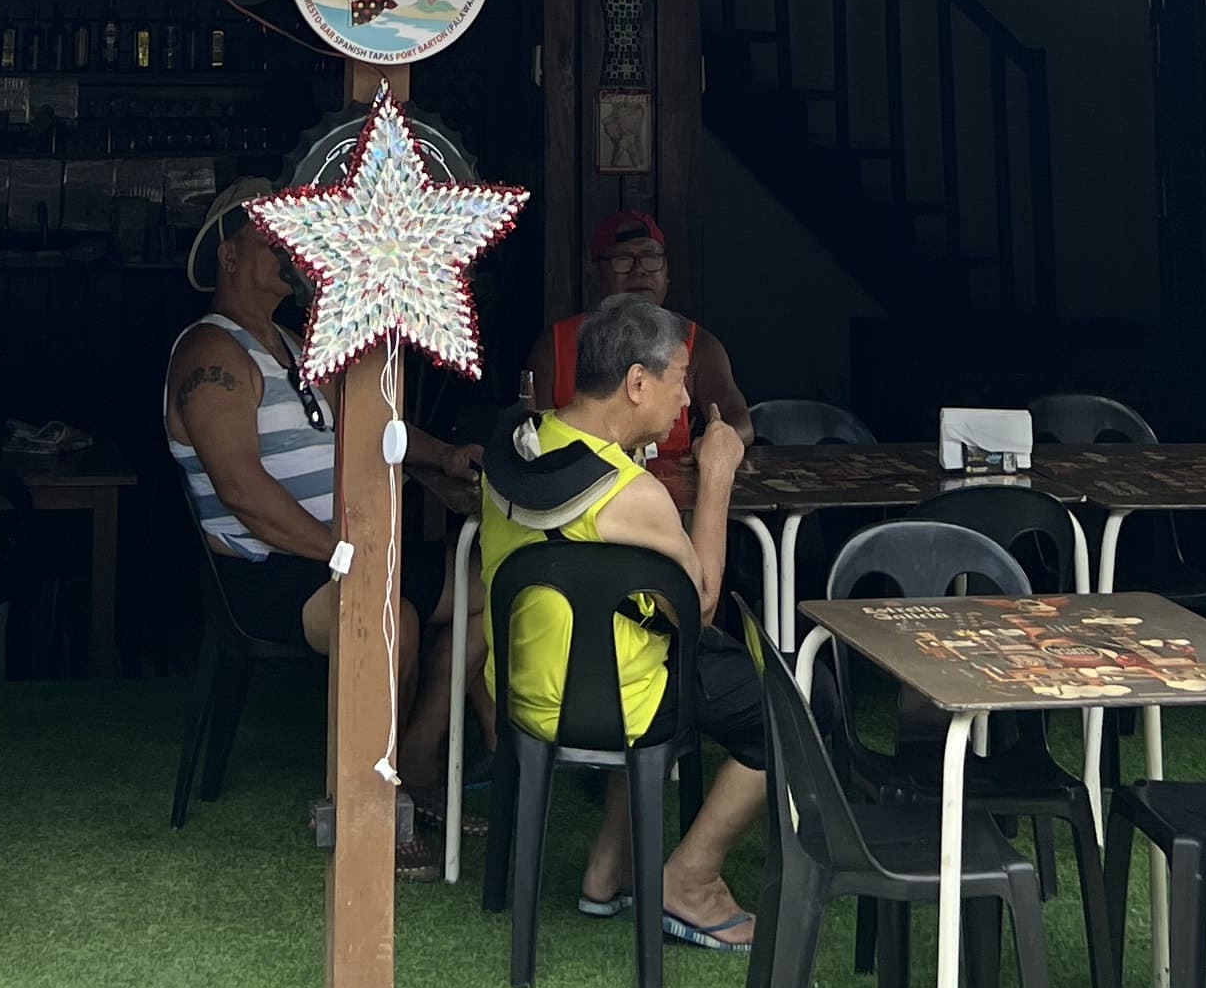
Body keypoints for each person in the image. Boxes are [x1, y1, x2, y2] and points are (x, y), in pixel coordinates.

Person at [164, 195, 483, 845]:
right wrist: (342, 552)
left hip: (348, 551)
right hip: (268, 572)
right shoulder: (207, 353)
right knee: (394, 618)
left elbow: (377, 425)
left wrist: (446, 457)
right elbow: (241, 491)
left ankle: (415, 756)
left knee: (496, 583)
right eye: (271, 242)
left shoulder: (295, 343)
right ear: (229, 257)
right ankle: (370, 812)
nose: (291, 253)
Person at [480, 290, 768, 950]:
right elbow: (700, 606)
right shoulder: (633, 494)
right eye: (680, 381)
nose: (686, 401)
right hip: (615, 701)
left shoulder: (517, 446)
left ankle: (607, 869)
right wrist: (717, 478)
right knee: (796, 705)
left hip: (521, 691)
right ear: (638, 383)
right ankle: (690, 879)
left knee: (637, 641)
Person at [525, 210, 750, 464]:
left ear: (667, 272)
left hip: (671, 485)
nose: (639, 270)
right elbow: (534, 436)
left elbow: (739, 422)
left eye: (651, 257)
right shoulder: (554, 346)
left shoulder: (698, 344)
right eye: (623, 259)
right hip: (586, 483)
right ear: (596, 272)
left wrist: (712, 446)